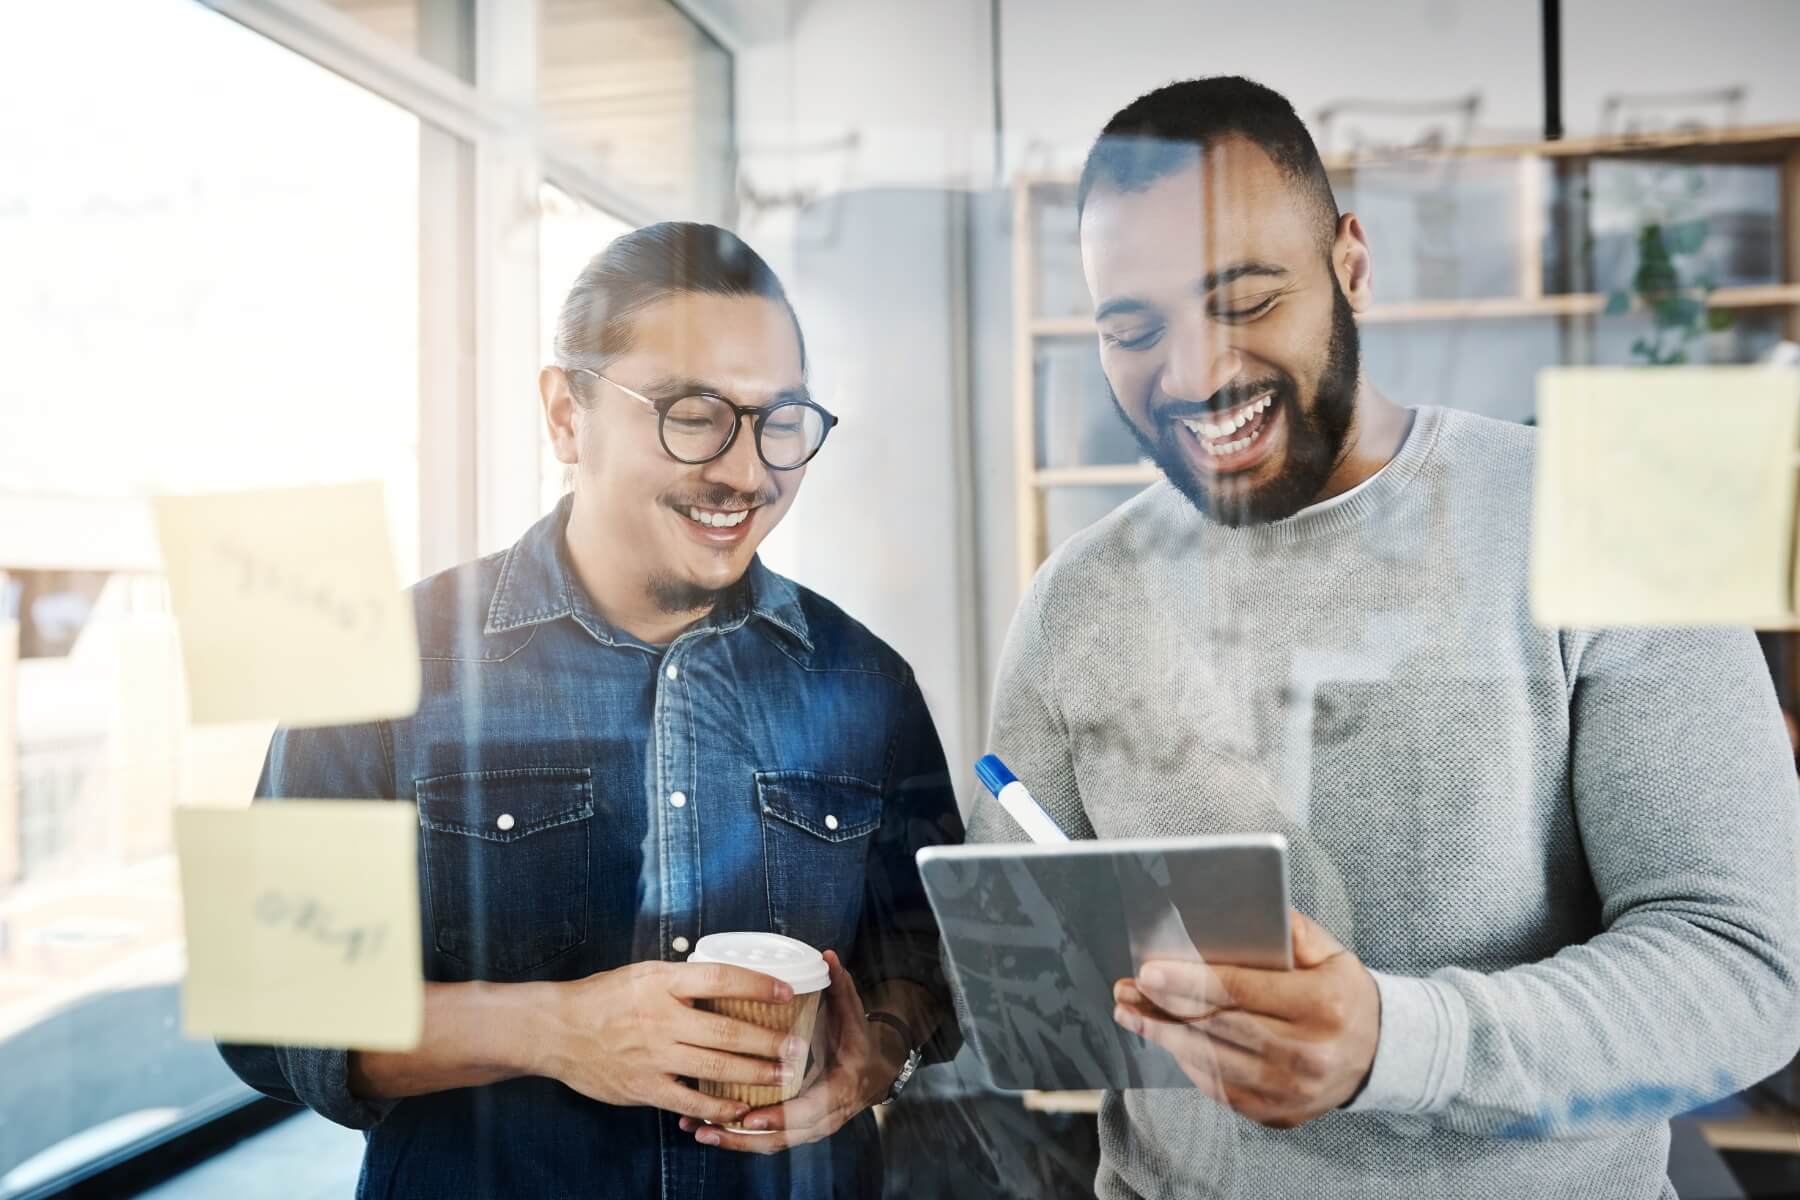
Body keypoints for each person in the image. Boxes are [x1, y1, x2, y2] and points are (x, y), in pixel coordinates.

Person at [970, 76, 1800, 1198]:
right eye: (1132, 328)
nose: (1194, 373)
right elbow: (1013, 982)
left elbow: (1745, 971)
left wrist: (1390, 1046)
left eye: (1246, 300)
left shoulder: (1611, 528)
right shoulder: (1075, 599)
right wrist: (889, 1015)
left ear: (1351, 263)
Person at [221, 222, 963, 1199]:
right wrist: (553, 1031)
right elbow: (266, 1014)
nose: (747, 473)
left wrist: (877, 1062)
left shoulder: (868, 680)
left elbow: (929, 957)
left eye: (779, 420)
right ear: (566, 414)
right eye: (694, 414)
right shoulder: (378, 664)